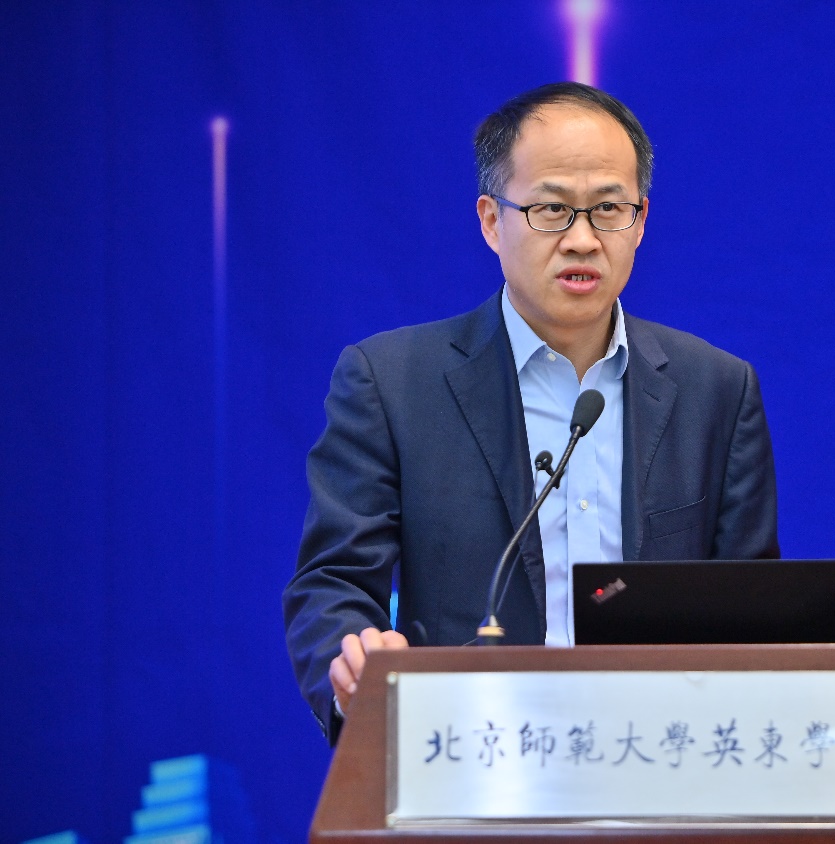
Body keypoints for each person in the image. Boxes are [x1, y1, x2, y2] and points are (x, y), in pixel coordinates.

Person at [283, 82, 779, 744]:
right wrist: (356, 663)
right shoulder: (392, 382)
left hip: (659, 758)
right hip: (471, 751)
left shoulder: (716, 389)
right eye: (551, 210)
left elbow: (753, 608)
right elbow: (333, 582)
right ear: (492, 221)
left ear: (640, 221)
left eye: (609, 209)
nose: (582, 239)